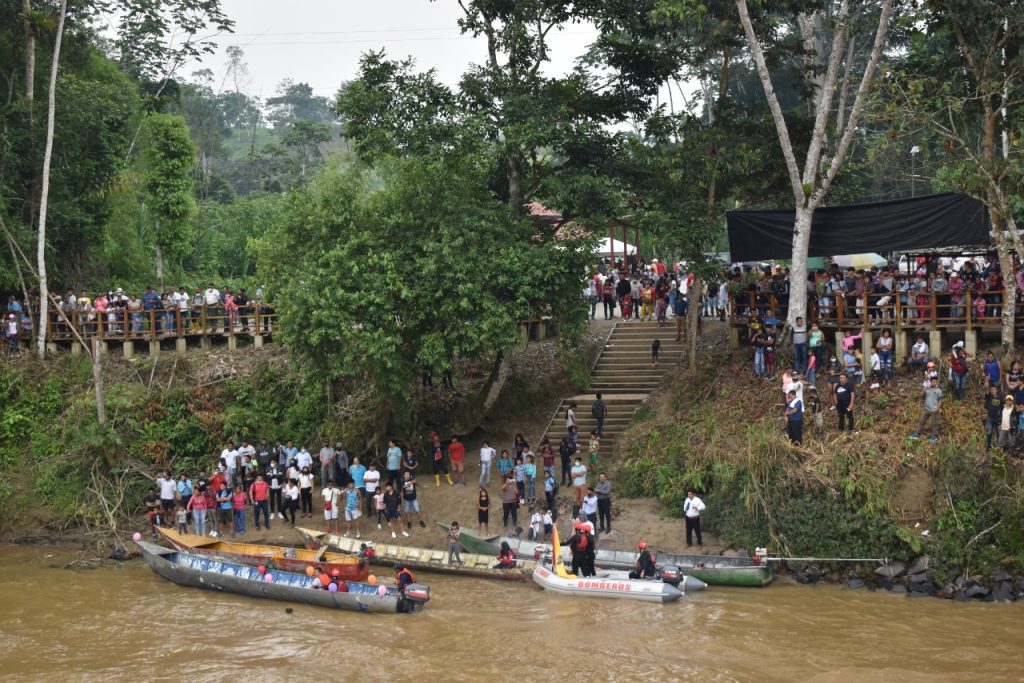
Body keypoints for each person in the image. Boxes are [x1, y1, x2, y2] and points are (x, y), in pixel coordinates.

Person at [910, 378, 944, 444]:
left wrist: (938, 408)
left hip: (934, 410)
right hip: (927, 409)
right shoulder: (927, 389)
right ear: (930, 382)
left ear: (937, 383)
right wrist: (924, 390)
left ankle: (934, 437)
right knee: (921, 421)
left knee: (935, 424)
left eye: (935, 382)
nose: (934, 383)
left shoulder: (938, 391)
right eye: (933, 382)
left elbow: (940, 400)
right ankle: (917, 434)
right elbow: (921, 396)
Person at [984, 385, 1004, 451]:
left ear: (997, 390)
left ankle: (998, 447)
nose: (992, 391)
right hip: (990, 418)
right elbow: (986, 390)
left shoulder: (1000, 398)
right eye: (991, 389)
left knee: (999, 433)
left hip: (998, 418)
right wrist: (986, 382)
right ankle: (988, 447)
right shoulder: (989, 396)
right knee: (989, 432)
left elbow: (1003, 408)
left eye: (994, 389)